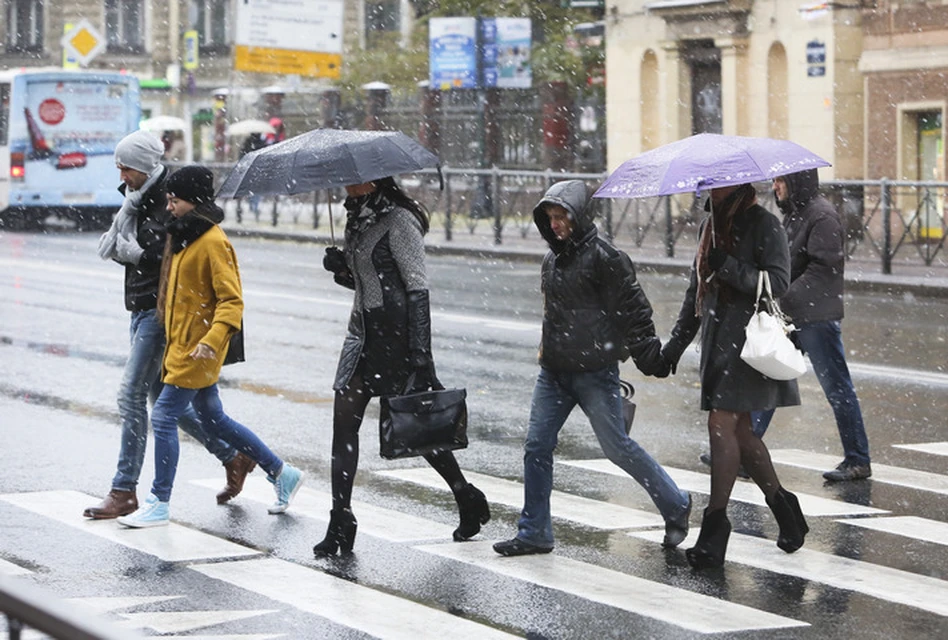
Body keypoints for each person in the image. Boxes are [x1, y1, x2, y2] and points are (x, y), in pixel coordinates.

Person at [492, 180, 692, 557]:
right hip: (553, 373)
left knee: (617, 448)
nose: (555, 225)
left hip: (594, 374)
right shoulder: (552, 259)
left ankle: (676, 503)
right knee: (536, 446)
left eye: (561, 216)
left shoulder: (606, 258)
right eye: (549, 218)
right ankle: (534, 531)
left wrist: (650, 357)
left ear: (580, 217)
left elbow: (635, 312)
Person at [117, 166, 305, 528]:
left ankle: (159, 501)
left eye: (175, 201)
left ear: (195, 201)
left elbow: (231, 302)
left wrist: (211, 340)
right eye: (169, 200)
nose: (169, 207)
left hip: (198, 348)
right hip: (182, 344)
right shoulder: (185, 235)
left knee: (163, 415)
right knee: (213, 417)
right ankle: (281, 473)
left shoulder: (213, 241)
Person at [85, 131, 256, 521]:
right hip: (140, 307)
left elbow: (168, 257)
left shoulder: (171, 202)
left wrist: (134, 255)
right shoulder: (138, 200)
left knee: (130, 396)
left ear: (143, 167)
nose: (121, 175)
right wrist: (128, 252)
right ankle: (233, 456)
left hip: (157, 313)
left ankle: (123, 490)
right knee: (163, 404)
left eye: (126, 167)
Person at [317, 176, 489, 556]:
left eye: (353, 177)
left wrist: (420, 356)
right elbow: (369, 284)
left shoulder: (399, 220)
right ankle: (341, 519)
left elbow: (416, 288)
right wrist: (341, 269)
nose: (346, 183)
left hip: (396, 338)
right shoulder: (356, 218)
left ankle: (466, 495)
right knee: (343, 424)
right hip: (361, 334)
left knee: (416, 427)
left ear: (374, 179)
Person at [658, 182, 808, 569]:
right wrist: (673, 347)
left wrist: (728, 266)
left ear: (737, 184)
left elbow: (777, 283)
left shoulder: (764, 224)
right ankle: (787, 511)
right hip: (717, 344)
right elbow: (697, 293)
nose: (708, 189)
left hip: (746, 346)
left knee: (721, 425)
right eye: (705, 183)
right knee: (742, 433)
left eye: (716, 183)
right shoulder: (709, 227)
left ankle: (713, 532)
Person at [752, 169, 871, 481]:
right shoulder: (798, 214)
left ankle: (858, 459)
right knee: (770, 377)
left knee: (837, 388)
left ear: (797, 183)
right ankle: (744, 453)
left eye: (780, 181)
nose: (774, 186)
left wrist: (784, 296)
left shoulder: (821, 216)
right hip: (795, 314)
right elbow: (790, 262)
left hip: (817, 317)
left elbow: (823, 269)